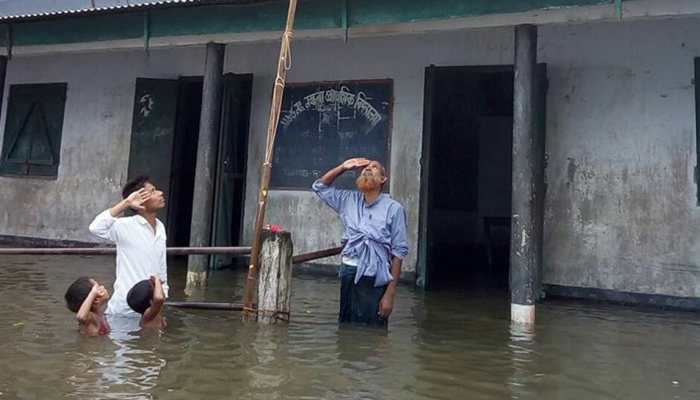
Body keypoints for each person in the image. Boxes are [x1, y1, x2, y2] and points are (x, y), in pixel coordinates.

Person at [312, 158, 409, 328]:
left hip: (375, 276)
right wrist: (343, 167)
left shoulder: (394, 209)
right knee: (346, 328)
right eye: (365, 168)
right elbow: (319, 187)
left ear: (383, 180)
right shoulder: (348, 200)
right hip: (349, 271)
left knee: (372, 332)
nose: (368, 169)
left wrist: (390, 295)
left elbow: (398, 253)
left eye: (374, 167)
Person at [89, 176, 169, 316]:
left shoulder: (160, 226)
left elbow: (161, 266)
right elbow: (96, 228)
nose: (160, 193)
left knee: (151, 337)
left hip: (152, 305)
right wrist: (126, 203)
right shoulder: (125, 225)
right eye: (153, 191)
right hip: (125, 307)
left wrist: (163, 293)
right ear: (140, 199)